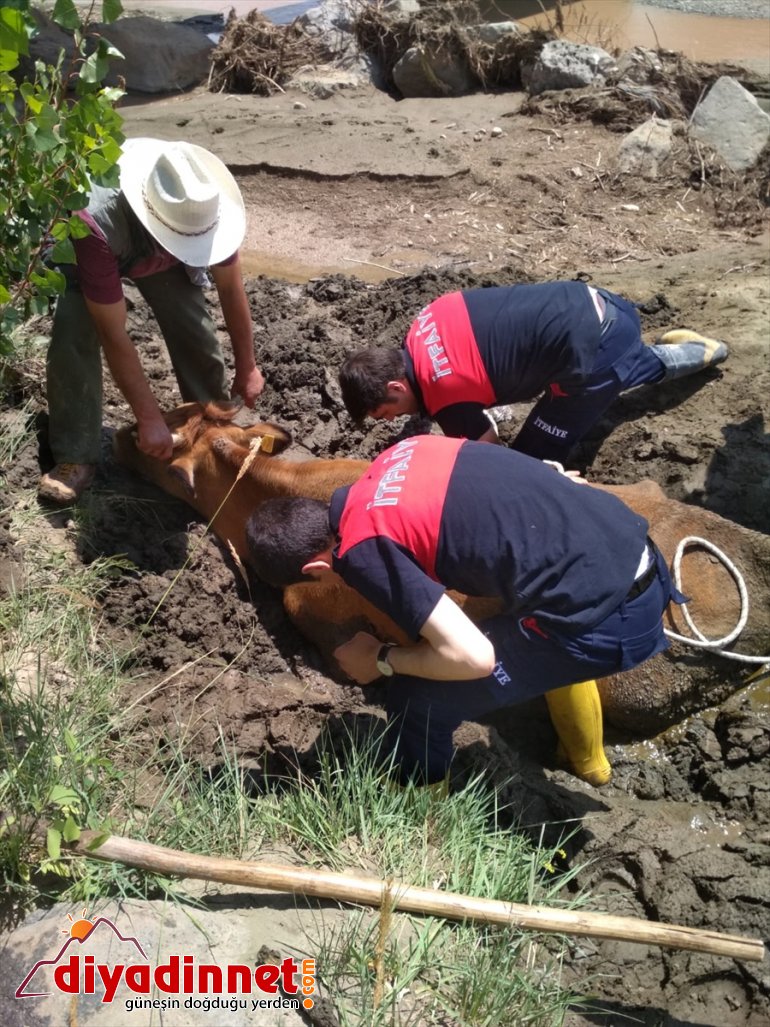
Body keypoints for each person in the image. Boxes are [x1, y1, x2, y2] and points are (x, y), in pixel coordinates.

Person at [245, 434, 683, 786]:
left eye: (323, 580)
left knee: (416, 698)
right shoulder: (401, 453)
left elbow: (475, 658)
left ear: (315, 566)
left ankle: (424, 803)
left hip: (608, 619)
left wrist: (380, 660)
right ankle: (590, 765)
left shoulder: (360, 550)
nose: (337, 582)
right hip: (632, 551)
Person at [39, 137, 265, 504]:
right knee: (74, 338)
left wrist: (248, 366)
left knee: (194, 327)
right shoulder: (95, 220)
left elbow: (229, 288)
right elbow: (113, 333)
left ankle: (214, 433)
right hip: (99, 244)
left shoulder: (204, 203)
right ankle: (75, 455)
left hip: (160, 245)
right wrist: (148, 419)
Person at [338, 281, 728, 461]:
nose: (398, 419)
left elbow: (488, 454)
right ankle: (702, 351)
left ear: (395, 384)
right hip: (602, 303)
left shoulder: (444, 398)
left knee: (527, 459)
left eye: (390, 412)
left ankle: (675, 354)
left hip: (596, 350)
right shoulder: (426, 318)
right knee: (614, 366)